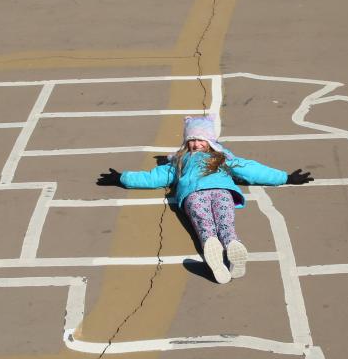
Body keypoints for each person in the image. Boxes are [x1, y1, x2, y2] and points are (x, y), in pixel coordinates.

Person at [97, 115, 313, 284]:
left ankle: (228, 245)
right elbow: (154, 177)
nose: (196, 144)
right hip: (199, 194)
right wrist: (123, 178)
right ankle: (218, 246)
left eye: (201, 139)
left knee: (220, 220)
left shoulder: (223, 157)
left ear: (210, 140)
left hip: (215, 191)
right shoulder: (180, 161)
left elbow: (250, 169)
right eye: (191, 140)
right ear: (186, 142)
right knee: (209, 221)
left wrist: (285, 177)